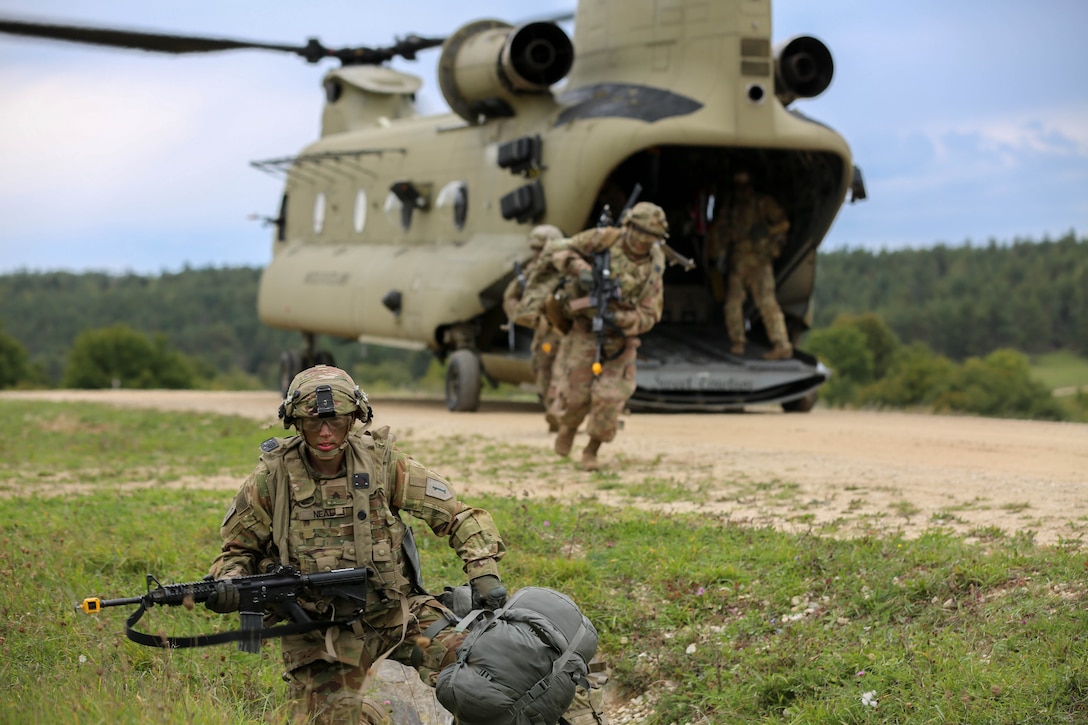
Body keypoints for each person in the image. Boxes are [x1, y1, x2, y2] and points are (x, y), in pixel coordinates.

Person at [205, 365, 508, 724]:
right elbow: (237, 551)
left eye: (337, 420)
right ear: (296, 422)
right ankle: (370, 715)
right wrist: (230, 583)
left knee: (482, 675)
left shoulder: (382, 464)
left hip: (396, 614)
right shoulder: (272, 478)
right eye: (315, 422)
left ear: (354, 419)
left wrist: (484, 571)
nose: (326, 432)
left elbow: (459, 516)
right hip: (319, 632)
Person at [547, 201, 667, 471]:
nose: (643, 242)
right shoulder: (604, 239)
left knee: (609, 398)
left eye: (651, 237)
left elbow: (650, 314)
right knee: (576, 395)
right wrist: (583, 271)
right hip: (586, 328)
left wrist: (621, 319)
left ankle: (592, 450)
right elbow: (560, 251)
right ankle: (568, 427)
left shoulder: (653, 268)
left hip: (620, 337)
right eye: (641, 233)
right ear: (629, 227)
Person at [706, 170, 793, 360]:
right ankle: (738, 341)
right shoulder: (730, 207)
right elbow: (721, 230)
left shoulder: (763, 203)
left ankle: (782, 345)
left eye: (743, 177)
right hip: (738, 262)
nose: (740, 182)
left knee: (767, 304)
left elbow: (784, 224)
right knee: (732, 305)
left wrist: (766, 231)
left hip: (759, 262)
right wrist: (719, 253)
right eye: (737, 178)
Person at [502, 224, 566, 432]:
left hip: (567, 332)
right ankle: (553, 414)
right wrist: (526, 317)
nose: (539, 254)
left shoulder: (568, 267)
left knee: (564, 374)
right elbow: (510, 298)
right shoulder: (531, 272)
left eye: (542, 249)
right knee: (543, 373)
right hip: (545, 333)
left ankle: (562, 415)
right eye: (536, 250)